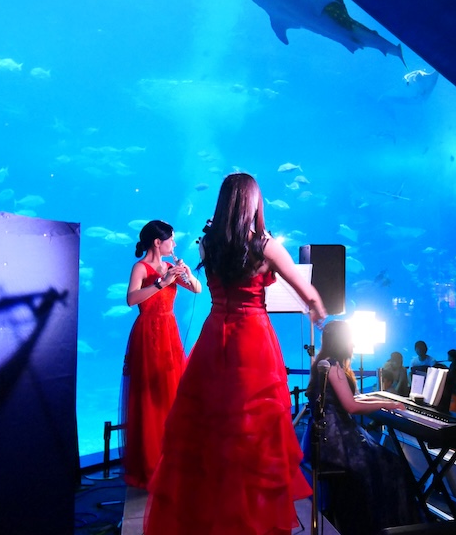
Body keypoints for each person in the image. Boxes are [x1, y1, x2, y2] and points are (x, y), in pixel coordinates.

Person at [144, 173, 327, 535]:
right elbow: (305, 290)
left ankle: (207, 517)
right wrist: (319, 313)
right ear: (254, 202)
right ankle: (247, 518)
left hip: (214, 338)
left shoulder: (206, 245)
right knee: (252, 431)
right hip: (252, 341)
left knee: (208, 427)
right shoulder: (265, 245)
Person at [306, 321, 421, 534]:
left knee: (387, 461)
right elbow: (351, 406)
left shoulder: (325, 362)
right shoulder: (333, 366)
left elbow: (353, 399)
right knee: (392, 465)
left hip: (331, 434)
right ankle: (388, 525)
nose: (352, 343)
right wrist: (388, 404)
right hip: (337, 440)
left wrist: (384, 401)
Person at [120, 220, 201, 489]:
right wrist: (161, 283)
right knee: (148, 396)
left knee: (173, 392)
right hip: (147, 333)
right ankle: (151, 461)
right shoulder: (140, 267)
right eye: (171, 239)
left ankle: (174, 458)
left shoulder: (169, 266)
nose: (174, 244)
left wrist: (185, 273)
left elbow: (197, 289)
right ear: (158, 242)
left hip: (169, 331)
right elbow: (131, 299)